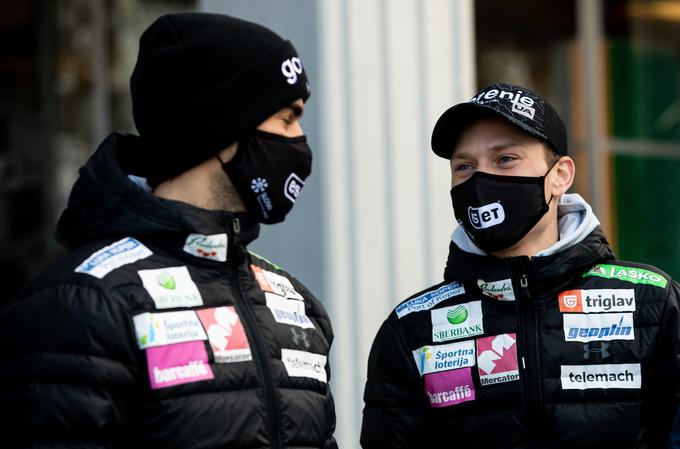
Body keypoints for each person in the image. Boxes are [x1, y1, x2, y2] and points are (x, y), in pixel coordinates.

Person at [0, 13, 336, 449]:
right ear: (222, 123)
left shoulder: (295, 306)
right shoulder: (80, 305)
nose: (300, 139)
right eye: (288, 118)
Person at [360, 83, 680, 448]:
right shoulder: (412, 330)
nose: (481, 180)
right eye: (464, 166)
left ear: (560, 175)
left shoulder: (653, 302)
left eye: (505, 159)